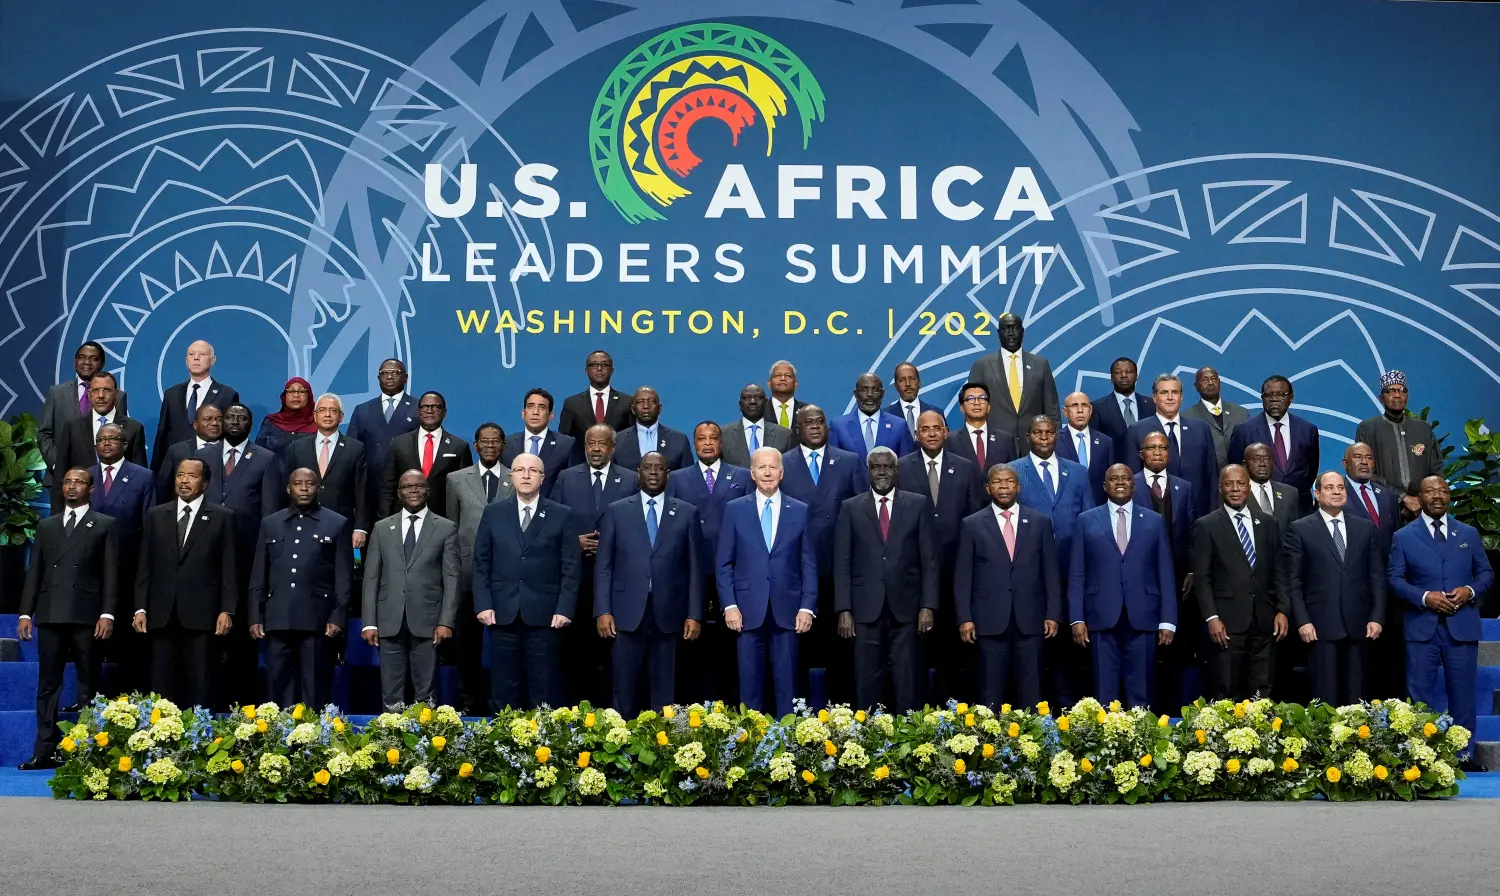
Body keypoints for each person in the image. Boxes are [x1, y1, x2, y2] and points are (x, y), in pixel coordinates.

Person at [1389, 475, 1494, 771]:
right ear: (1419, 498)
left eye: (1443, 490)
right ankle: (1420, 756)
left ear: (1449, 496)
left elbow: (1485, 574)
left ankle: (1462, 756)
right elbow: (1394, 579)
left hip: (1461, 626)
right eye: (1430, 491)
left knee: (1462, 694)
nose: (1437, 495)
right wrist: (1425, 597)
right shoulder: (1404, 536)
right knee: (1419, 695)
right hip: (1422, 627)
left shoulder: (1469, 533)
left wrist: (1469, 591)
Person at [17, 467, 118, 770]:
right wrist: (25, 612)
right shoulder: (47, 525)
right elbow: (34, 573)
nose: (72, 487)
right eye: (68, 483)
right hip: (50, 614)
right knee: (48, 685)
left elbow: (111, 573)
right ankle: (44, 750)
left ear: (91, 488)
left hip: (87, 616)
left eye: (79, 482)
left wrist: (108, 613)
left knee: (88, 685)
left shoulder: (104, 524)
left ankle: (87, 751)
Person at [595, 452, 703, 717]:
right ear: (638, 473)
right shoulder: (617, 510)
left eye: (660, 468)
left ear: (668, 475)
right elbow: (604, 566)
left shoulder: (687, 513)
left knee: (666, 690)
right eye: (647, 467)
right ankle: (623, 748)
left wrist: (694, 614)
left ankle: (663, 748)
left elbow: (695, 570)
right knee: (624, 687)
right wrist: (603, 611)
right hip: (624, 613)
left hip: (670, 614)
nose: (653, 472)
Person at [472, 454, 581, 710]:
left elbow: (570, 567)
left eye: (533, 470)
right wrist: (483, 604)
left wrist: (564, 608)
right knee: (503, 687)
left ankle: (544, 746)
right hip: (501, 613)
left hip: (545, 617)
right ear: (511, 477)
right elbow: (480, 563)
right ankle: (504, 746)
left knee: (544, 688)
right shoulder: (493, 513)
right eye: (520, 470)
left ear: (542, 478)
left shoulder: (562, 514)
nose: (526, 475)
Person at [834, 447, 937, 713]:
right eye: (876, 467)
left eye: (887, 467)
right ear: (867, 471)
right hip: (864, 607)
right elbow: (842, 562)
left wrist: (928, 606)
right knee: (867, 678)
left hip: (907, 607)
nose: (881, 472)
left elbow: (929, 559)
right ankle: (867, 735)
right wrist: (844, 609)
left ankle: (909, 734)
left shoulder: (917, 503)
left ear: (896, 470)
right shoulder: (850, 507)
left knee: (908, 678)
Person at [716, 447, 818, 717]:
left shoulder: (799, 510)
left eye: (773, 467)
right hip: (747, 611)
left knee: (788, 686)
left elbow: (807, 563)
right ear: (752, 473)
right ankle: (751, 744)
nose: (768, 472)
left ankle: (786, 746)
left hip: (788, 611)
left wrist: (807, 607)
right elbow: (724, 563)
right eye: (762, 467)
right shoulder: (735, 510)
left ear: (782, 473)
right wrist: (729, 606)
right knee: (749, 686)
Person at [133, 457, 237, 709]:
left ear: (205, 482)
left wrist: (227, 609)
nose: (184, 480)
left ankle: (197, 740)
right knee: (161, 684)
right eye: (180, 475)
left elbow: (229, 568)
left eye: (191, 476)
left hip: (202, 615)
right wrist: (140, 608)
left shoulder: (222, 517)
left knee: (200, 683)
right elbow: (145, 566)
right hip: (161, 613)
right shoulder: (156, 515)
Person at [779, 405, 867, 704]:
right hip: (795, 574)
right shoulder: (782, 464)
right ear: (796, 429)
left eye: (820, 422)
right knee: (798, 651)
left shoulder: (849, 462)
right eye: (808, 423)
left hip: (839, 573)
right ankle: (800, 722)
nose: (815, 427)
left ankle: (844, 718)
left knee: (842, 651)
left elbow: (862, 517)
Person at [196, 404, 283, 707]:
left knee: (240, 640)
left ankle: (241, 705)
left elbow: (270, 514)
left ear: (251, 423)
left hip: (246, 558)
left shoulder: (266, 459)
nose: (234, 421)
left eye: (241, 418)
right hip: (204, 558)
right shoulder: (203, 457)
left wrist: (264, 557)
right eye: (229, 417)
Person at [1068, 465, 1175, 709]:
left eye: (1125, 478)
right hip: (1100, 616)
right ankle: (1107, 743)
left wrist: (1168, 619)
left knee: (1142, 692)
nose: (1120, 482)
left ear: (1134, 486)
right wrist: (1076, 618)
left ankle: (1142, 742)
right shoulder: (1086, 520)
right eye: (1113, 479)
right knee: (1104, 693)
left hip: (1144, 616)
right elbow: (1077, 573)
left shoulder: (1154, 520)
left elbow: (1165, 573)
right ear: (1104, 486)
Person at [954, 465, 1060, 709]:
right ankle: (990, 743)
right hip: (988, 621)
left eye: (1009, 481)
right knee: (990, 692)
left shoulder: (1040, 522)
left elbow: (1050, 573)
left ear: (1018, 487)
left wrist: (1053, 613)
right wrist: (965, 618)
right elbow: (963, 576)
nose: (1004, 486)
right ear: (988, 488)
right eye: (997, 482)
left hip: (1031, 620)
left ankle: (1033, 744)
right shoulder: (971, 524)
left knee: (1032, 692)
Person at [897, 409, 985, 702]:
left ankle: (954, 707)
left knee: (954, 647)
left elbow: (976, 519)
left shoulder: (965, 467)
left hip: (955, 570)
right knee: (915, 647)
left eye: (937, 428)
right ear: (916, 434)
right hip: (913, 574)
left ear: (946, 432)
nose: (932, 433)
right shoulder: (901, 468)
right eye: (926, 429)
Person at [247, 468, 352, 709]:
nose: (304, 488)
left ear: (318, 488)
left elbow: (344, 577)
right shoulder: (271, 523)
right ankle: (279, 743)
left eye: (310, 484)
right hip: (278, 619)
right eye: (298, 484)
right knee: (278, 688)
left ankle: (314, 743)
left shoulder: (336, 523)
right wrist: (255, 615)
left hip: (317, 620)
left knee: (314, 690)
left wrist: (337, 616)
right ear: (288, 488)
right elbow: (259, 575)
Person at [551, 424, 640, 705]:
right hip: (575, 581)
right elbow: (551, 525)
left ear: (613, 448)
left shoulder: (630, 480)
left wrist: (612, 545)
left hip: (616, 583)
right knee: (576, 653)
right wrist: (573, 543)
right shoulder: (566, 478)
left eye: (602, 443)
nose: (596, 448)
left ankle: (611, 712)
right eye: (591, 443)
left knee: (612, 654)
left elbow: (639, 528)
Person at [667, 421, 751, 702]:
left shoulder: (741, 476)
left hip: (733, 573)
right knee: (692, 644)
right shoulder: (678, 479)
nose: (707, 443)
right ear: (693, 443)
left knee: (731, 646)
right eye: (701, 438)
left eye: (712, 438)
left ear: (721, 443)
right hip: (692, 572)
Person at [361, 470, 460, 709]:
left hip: (428, 621)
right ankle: (391, 742)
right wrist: (369, 622)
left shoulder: (445, 527)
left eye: (418, 486)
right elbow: (371, 577)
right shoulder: (382, 528)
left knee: (426, 694)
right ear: (399, 493)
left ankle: (426, 742)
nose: (413, 490)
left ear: (428, 491)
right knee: (391, 695)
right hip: (389, 621)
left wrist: (446, 621)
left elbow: (452, 578)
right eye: (407, 487)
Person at [1285, 471, 1385, 705]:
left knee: (1356, 699)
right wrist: (1302, 621)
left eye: (1341, 487)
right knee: (1324, 698)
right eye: (1330, 488)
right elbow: (1293, 580)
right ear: (1317, 494)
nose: (1337, 492)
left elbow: (1377, 577)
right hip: (1319, 626)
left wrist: (1377, 617)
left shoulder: (1365, 528)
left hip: (1359, 624)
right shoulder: (1300, 528)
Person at [1191, 464, 1286, 700]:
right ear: (1220, 488)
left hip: (1264, 621)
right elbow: (1202, 578)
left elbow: (1280, 571)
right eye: (1229, 484)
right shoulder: (1207, 525)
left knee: (1262, 691)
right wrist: (1212, 618)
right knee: (1227, 689)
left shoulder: (1267, 523)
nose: (1235, 489)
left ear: (1249, 487)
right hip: (1226, 622)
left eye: (1241, 484)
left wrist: (1283, 610)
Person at [444, 422, 514, 712]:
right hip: (467, 574)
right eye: (483, 441)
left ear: (503, 446)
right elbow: (451, 527)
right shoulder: (456, 479)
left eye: (495, 441)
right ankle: (468, 702)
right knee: (467, 645)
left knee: (504, 646)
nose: (489, 446)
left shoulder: (516, 477)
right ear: (475, 446)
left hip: (506, 575)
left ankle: (502, 703)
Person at [87, 424, 156, 693]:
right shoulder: (85, 477)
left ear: (125, 444)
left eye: (113, 439)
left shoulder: (143, 477)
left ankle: (130, 695)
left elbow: (149, 526)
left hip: (129, 567)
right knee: (89, 640)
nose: (106, 443)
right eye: (101, 440)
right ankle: (88, 698)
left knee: (129, 639)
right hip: (90, 571)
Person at [1134, 431, 1197, 708]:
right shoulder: (1129, 485)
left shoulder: (1185, 487)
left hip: (1179, 580)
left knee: (1177, 649)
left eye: (1162, 448)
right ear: (1141, 454)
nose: (1157, 453)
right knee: (1145, 650)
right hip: (1141, 581)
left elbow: (1193, 533)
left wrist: (1192, 571)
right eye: (1151, 448)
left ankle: (1174, 710)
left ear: (1169, 453)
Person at [1340, 440, 1404, 701]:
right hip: (1354, 588)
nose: (1364, 462)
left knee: (1389, 659)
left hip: (1388, 588)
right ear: (1346, 463)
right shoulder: (1337, 493)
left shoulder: (1385, 495)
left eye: (1368, 457)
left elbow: (1396, 538)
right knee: (1358, 661)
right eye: (1358, 457)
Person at [1123, 373, 1219, 519]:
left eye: (1175, 392)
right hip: (1153, 515)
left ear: (1181, 397)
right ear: (1154, 398)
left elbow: (1212, 476)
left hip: (1199, 516)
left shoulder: (1201, 429)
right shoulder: (1137, 430)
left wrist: (1213, 515)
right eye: (1164, 392)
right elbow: (1133, 479)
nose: (1170, 397)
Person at [50, 372, 147, 511]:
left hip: (120, 512)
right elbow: (60, 474)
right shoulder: (72, 427)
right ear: (89, 395)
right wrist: (57, 517)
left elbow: (139, 477)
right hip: (80, 509)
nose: (101, 395)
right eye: (95, 390)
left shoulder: (133, 428)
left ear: (117, 394)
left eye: (107, 390)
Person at [967, 312, 1060, 456]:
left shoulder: (1040, 365)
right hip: (995, 446)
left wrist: (1054, 441)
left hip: (1035, 445)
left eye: (1015, 328)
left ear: (1022, 332)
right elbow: (972, 407)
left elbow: (1052, 408)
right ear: (998, 333)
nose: (1011, 333)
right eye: (1006, 328)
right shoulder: (982, 366)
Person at [285, 394, 370, 547]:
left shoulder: (355, 448)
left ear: (341, 417)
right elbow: (287, 488)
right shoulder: (297, 447)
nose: (328, 415)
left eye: (333, 410)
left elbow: (362, 491)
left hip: (341, 523)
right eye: (323, 410)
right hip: (302, 521)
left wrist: (360, 528)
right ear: (315, 415)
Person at [39, 341, 129, 483]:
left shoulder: (118, 396)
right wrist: (59, 464)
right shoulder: (57, 393)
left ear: (103, 363)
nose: (87, 362)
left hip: (103, 478)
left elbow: (120, 435)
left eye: (93, 359)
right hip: (64, 478)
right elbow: (45, 433)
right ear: (75, 361)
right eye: (82, 357)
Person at [1010, 416, 1093, 571]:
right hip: (1029, 559)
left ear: (1057, 435)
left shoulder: (1078, 471)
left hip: (1072, 558)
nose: (1044, 438)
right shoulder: (1012, 471)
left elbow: (1088, 516)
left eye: (1049, 432)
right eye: (1037, 432)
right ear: (1028, 437)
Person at [1228, 375, 1319, 514]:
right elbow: (1236, 469)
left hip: (1299, 509)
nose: (1274, 399)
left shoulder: (1308, 430)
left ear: (1291, 398)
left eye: (1281, 394)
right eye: (1269, 395)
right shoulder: (1244, 430)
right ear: (1262, 398)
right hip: (1257, 509)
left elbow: (1311, 469)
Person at [1354, 370, 1440, 513]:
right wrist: (1403, 497)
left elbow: (1436, 469)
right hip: (1383, 507)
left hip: (1422, 508)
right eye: (1391, 391)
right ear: (1381, 397)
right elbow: (1366, 471)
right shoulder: (1368, 428)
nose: (1397, 394)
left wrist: (1423, 499)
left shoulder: (1423, 428)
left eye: (1402, 390)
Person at [150, 340, 240, 474]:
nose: (196, 358)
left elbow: (231, 436)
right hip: (176, 469)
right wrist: (155, 472)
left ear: (212, 360)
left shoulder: (227, 395)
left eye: (202, 354)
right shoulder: (171, 394)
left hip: (212, 469)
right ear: (186, 360)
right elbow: (162, 435)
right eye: (192, 354)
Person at [380, 391, 472, 518]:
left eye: (436, 407)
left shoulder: (459, 446)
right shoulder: (399, 443)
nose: (430, 410)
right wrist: (385, 519)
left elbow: (464, 492)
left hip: (443, 519)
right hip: (402, 516)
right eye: (425, 407)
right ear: (418, 412)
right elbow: (388, 487)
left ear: (444, 413)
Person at [347, 358, 419, 516]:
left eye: (395, 373)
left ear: (406, 377)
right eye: (384, 373)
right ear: (378, 378)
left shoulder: (419, 408)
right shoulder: (362, 410)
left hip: (406, 489)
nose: (389, 376)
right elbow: (351, 451)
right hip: (370, 489)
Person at [501, 387, 579, 495]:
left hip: (552, 509)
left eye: (541, 408)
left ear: (550, 416)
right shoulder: (507, 444)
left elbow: (573, 484)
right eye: (530, 406)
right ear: (523, 413)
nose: (535, 412)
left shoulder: (567, 445)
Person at [828, 373, 916, 462]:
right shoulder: (838, 427)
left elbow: (907, 466)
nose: (870, 394)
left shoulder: (899, 426)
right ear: (855, 394)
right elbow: (833, 466)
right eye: (864, 390)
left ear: (882, 394)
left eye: (875, 390)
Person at [945, 381, 1015, 482]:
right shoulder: (950, 440)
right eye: (970, 398)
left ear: (989, 407)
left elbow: (1012, 475)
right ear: (961, 408)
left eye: (982, 398)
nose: (976, 403)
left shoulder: (1005, 439)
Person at [559, 350, 634, 441]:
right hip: (582, 455)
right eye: (594, 364)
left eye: (605, 365)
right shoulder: (572, 403)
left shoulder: (626, 401)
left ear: (612, 371)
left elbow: (633, 437)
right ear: (586, 371)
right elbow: (564, 441)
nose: (599, 368)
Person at [155, 404, 222, 504]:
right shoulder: (177, 451)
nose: (214, 423)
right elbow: (163, 488)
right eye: (208, 419)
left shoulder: (230, 452)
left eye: (219, 419)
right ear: (195, 424)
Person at [1183, 366, 1249, 467]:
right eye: (1205, 380)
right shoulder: (1187, 417)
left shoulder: (1241, 413)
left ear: (1219, 382)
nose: (1210, 382)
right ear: (1196, 386)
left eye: (1213, 379)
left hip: (1239, 479)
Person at [613, 386, 691, 471]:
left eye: (651, 401)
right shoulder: (617, 441)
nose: (646, 406)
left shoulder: (679, 440)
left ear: (659, 408)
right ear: (633, 409)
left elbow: (687, 478)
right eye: (640, 402)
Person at [1056, 391, 1113, 505]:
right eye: (1074, 405)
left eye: (1084, 405)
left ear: (1090, 410)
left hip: (1098, 508)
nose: (1080, 410)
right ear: (1065, 412)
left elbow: (1110, 478)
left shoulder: (1105, 442)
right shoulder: (1055, 441)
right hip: (1066, 507)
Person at [721, 383, 794, 468]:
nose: (753, 402)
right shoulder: (724, 434)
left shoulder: (784, 435)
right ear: (740, 405)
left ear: (766, 403)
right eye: (747, 398)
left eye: (758, 397)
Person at [1089, 357, 1154, 449]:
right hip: (1112, 462)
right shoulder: (1097, 407)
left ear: (1136, 377)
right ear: (1111, 378)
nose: (1124, 375)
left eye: (1129, 372)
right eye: (1118, 372)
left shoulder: (1151, 405)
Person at [1241, 442, 1298, 533]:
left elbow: (1294, 531)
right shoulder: (1237, 494)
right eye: (1256, 460)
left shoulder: (1290, 493)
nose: (1262, 464)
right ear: (1245, 465)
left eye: (1267, 459)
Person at [254, 377, 318, 457]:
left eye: (301, 391)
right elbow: (257, 455)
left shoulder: (318, 424)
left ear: (309, 396)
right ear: (285, 397)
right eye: (291, 391)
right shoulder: (271, 422)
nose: (296, 395)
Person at [886, 362, 941, 439]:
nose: (908, 384)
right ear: (896, 386)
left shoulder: (937, 413)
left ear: (919, 383)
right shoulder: (886, 415)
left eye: (912, 379)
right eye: (902, 380)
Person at [767, 360, 810, 443]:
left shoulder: (807, 411)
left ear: (795, 384)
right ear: (769, 383)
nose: (783, 378)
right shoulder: (760, 410)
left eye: (788, 376)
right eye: (778, 376)